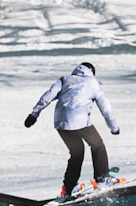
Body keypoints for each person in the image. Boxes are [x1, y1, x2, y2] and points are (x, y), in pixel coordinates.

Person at [24, 62, 121, 198]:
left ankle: (69, 187)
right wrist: (114, 128)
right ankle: (102, 178)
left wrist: (34, 114)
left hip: (61, 122)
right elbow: (106, 109)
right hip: (80, 120)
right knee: (97, 145)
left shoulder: (65, 79)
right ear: (92, 72)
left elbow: (47, 96)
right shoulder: (93, 83)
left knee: (77, 153)